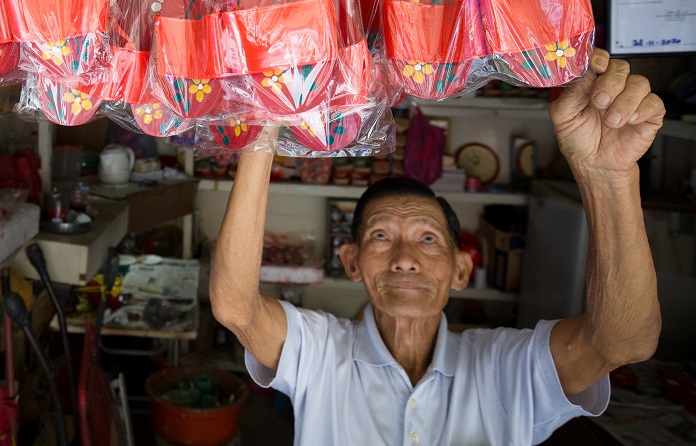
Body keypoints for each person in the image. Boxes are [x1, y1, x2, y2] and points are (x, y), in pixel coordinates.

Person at [209, 49, 665, 445]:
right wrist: (260, 131)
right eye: (380, 237)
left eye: (428, 240)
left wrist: (608, 176)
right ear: (350, 262)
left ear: (462, 269)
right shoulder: (320, 352)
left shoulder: (506, 370)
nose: (405, 259)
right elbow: (235, 307)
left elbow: (623, 341)